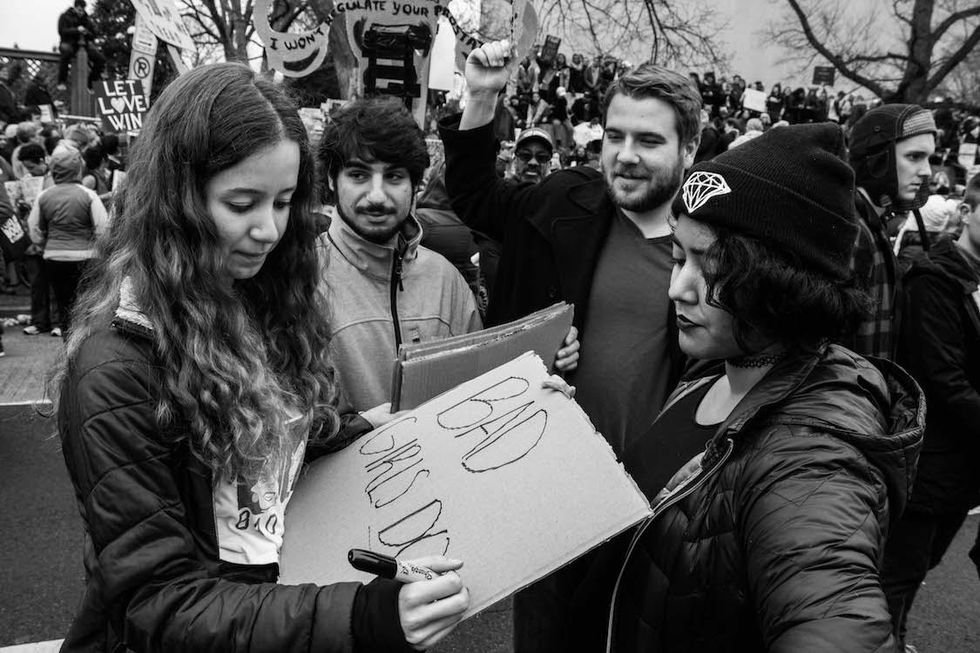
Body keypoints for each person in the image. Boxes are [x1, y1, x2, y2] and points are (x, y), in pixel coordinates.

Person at [57, 62, 469, 652]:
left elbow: (262, 451)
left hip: (272, 610)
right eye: (242, 203)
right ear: (176, 201)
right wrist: (361, 616)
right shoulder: (115, 367)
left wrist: (355, 429)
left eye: (282, 202)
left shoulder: (262, 302)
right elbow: (159, 602)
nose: (270, 230)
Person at [610, 122, 923, 652]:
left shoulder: (812, 453)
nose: (677, 288)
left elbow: (833, 615)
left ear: (780, 282)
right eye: (678, 258)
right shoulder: (713, 367)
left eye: (711, 267)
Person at [439, 39, 699, 651]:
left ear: (689, 150)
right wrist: (482, 96)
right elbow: (475, 197)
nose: (625, 156)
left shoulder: (715, 244)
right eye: (615, 136)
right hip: (551, 494)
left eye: (649, 141)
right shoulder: (564, 200)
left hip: (658, 506)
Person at [315, 96, 484, 416]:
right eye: (359, 175)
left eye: (394, 177)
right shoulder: (299, 280)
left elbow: (480, 392)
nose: (377, 196)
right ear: (331, 180)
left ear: (416, 184)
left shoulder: (446, 281)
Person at [881, 173, 980, 651]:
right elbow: (944, 380)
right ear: (968, 210)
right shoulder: (934, 280)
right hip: (928, 463)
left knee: (923, 564)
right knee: (899, 572)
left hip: (961, 468)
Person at [846, 104, 937, 359]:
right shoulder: (853, 230)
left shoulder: (873, 223)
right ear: (877, 159)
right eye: (914, 156)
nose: (927, 171)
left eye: (929, 158)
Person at [27, 147, 107, 338]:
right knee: (86, 305)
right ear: (77, 170)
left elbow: (34, 228)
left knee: (64, 304)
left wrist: (43, 244)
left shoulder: (44, 196)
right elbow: (103, 228)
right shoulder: (88, 195)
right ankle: (83, 344)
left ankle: (68, 343)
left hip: (54, 257)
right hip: (86, 257)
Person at [57, 0, 105, 90]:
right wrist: (76, 30)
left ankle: (90, 84)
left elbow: (93, 35)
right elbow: (62, 31)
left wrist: (86, 32)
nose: (81, 12)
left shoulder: (87, 20)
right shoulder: (64, 16)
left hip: (83, 46)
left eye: (82, 10)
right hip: (68, 43)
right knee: (66, 54)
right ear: (75, 8)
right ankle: (61, 81)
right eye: (79, 10)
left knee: (100, 59)